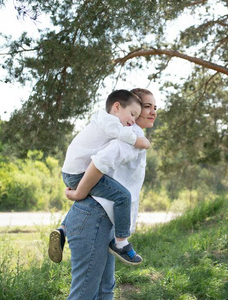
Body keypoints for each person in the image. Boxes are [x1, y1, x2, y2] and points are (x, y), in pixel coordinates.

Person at [51, 88, 157, 300]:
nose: (153, 112)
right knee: (85, 293)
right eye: (147, 107)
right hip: (94, 217)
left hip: (102, 218)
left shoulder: (129, 131)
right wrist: (79, 192)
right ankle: (118, 242)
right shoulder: (128, 136)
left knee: (105, 289)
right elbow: (99, 163)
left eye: (155, 108)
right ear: (122, 108)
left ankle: (64, 227)